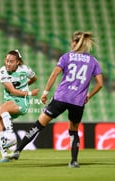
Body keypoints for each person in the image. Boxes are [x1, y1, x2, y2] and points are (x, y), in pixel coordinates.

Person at [8, 31, 103, 168]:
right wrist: (88, 95)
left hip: (61, 97)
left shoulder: (67, 57)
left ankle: (17, 151)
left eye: (72, 42)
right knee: (73, 131)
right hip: (78, 101)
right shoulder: (93, 61)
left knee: (39, 124)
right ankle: (74, 161)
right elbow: (100, 84)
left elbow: (54, 74)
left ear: (75, 43)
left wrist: (45, 92)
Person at [0, 50, 39, 162]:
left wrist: (26, 86)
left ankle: (11, 137)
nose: (8, 63)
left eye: (11, 61)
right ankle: (4, 155)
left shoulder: (24, 69)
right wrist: (29, 92)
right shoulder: (3, 72)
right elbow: (12, 91)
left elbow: (34, 78)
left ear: (18, 62)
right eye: (7, 61)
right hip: (11, 100)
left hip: (22, 102)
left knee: (2, 108)